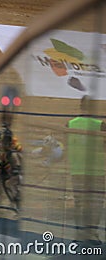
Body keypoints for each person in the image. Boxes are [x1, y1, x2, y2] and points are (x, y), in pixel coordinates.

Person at [67, 95, 105, 244]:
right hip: (97, 172)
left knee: (79, 203)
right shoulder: (101, 125)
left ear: (81, 106)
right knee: (95, 204)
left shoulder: (70, 124)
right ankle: (92, 234)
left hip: (77, 171)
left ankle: (79, 234)